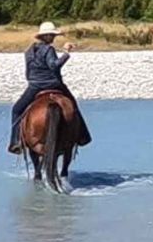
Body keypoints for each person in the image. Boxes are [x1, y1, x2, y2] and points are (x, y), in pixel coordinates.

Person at [8, 21, 91, 152]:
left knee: (17, 110)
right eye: (51, 35)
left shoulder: (29, 51)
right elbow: (54, 65)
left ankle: (15, 141)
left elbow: (29, 70)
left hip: (34, 85)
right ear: (46, 36)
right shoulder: (49, 49)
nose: (53, 38)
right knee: (73, 105)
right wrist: (66, 53)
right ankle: (83, 136)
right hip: (54, 84)